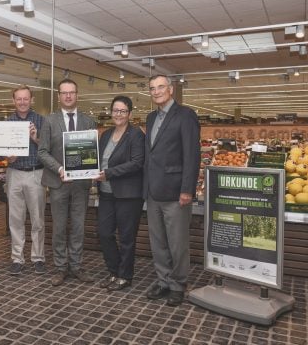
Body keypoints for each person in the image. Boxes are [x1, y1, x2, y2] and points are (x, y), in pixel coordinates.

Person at [144, 74, 200, 306]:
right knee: (158, 242)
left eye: (160, 87)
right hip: (153, 191)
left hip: (176, 192)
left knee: (177, 243)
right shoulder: (150, 118)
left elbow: (192, 155)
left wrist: (187, 189)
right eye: (152, 88)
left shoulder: (185, 115)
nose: (156, 91)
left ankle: (178, 284)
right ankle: (163, 280)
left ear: (171, 90)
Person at [38, 78, 97, 286]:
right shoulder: (49, 121)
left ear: (77, 94)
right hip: (58, 182)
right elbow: (42, 152)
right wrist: (60, 168)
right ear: (58, 96)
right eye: (64, 93)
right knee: (60, 227)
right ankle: (61, 268)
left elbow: (92, 152)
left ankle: (77, 266)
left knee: (79, 227)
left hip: (81, 184)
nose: (68, 96)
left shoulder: (88, 121)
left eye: (72, 92)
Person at [95, 95, 145, 291]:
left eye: (123, 111)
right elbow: (97, 160)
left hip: (128, 195)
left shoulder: (136, 135)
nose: (118, 114)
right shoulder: (105, 135)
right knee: (104, 233)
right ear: (110, 112)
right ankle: (114, 271)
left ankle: (125, 276)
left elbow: (136, 163)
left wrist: (108, 173)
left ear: (130, 114)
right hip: (106, 193)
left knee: (126, 237)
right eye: (115, 110)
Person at [6, 85, 46, 275]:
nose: (22, 102)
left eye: (25, 99)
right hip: (14, 173)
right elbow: (3, 151)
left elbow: (48, 148)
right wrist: (8, 156)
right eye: (18, 99)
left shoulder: (41, 120)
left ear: (32, 100)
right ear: (13, 101)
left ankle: (38, 257)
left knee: (37, 219)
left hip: (35, 174)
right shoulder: (6, 123)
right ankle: (17, 258)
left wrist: (36, 138)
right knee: (15, 219)